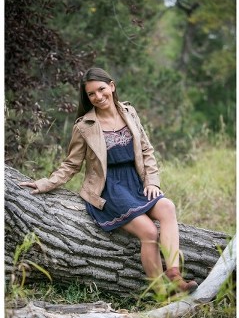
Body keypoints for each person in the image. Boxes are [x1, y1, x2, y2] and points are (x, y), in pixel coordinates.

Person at [20, 67, 198, 296]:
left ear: (112, 86)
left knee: (168, 207)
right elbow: (71, 165)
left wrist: (152, 181)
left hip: (136, 182)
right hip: (108, 189)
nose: (98, 97)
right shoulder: (84, 126)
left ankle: (174, 275)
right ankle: (161, 292)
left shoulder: (129, 112)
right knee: (148, 232)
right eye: (91, 94)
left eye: (101, 89)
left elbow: (146, 150)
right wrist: (45, 183)